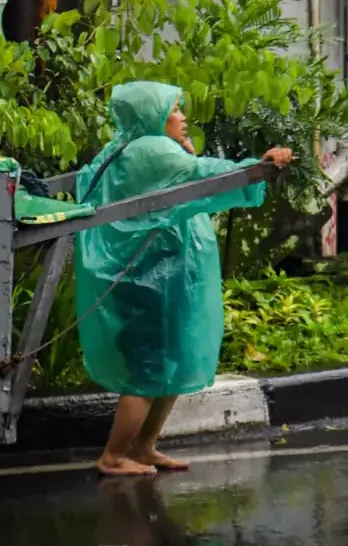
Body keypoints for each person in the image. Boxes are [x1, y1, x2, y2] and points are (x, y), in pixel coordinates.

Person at [73, 81, 294, 476]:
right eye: (174, 109)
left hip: (161, 277)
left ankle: (144, 446)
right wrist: (255, 168)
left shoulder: (129, 146)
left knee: (169, 362)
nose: (182, 116)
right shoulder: (151, 150)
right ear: (152, 114)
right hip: (146, 280)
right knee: (147, 370)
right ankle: (114, 455)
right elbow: (204, 176)